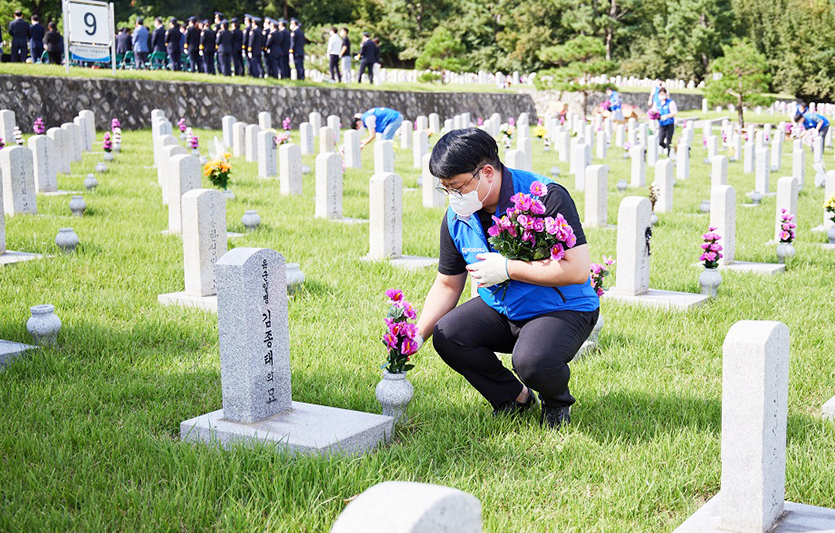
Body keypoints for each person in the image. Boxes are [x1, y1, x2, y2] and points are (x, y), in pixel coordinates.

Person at [412, 128, 598, 428]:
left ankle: (557, 402)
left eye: (457, 187)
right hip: (502, 307)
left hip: (561, 307)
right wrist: (418, 335)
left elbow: (576, 270)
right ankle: (514, 398)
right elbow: (448, 283)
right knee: (448, 336)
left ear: (486, 172)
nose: (453, 196)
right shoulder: (458, 217)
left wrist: (509, 268)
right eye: (445, 189)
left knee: (532, 362)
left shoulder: (544, 196)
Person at [652, 88, 677, 156]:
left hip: (669, 123)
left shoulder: (670, 102)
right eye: (660, 94)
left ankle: (669, 154)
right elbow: (654, 111)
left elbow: (674, 113)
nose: (662, 96)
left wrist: (667, 116)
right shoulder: (657, 103)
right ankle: (668, 148)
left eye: (663, 94)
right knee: (660, 140)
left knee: (668, 139)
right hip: (661, 124)